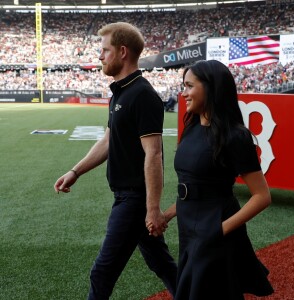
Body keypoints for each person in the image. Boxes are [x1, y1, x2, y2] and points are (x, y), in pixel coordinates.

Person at [54, 22, 177, 300]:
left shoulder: (142, 94)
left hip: (134, 200)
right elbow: (108, 141)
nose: (99, 56)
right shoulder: (121, 92)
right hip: (127, 196)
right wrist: (76, 171)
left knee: (102, 272)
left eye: (104, 50)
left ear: (122, 52)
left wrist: (152, 208)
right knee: (162, 264)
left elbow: (153, 154)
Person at [148, 60, 274, 299]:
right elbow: (195, 186)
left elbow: (262, 196)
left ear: (211, 88)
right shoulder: (192, 127)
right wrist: (167, 214)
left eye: (189, 86)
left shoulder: (235, 136)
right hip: (189, 227)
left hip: (215, 228)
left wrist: (219, 230)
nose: (183, 93)